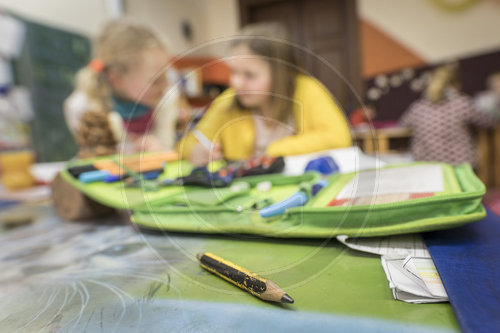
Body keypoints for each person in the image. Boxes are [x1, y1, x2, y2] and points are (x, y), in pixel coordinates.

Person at [178, 23, 352, 166]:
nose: (236, 83)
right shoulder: (228, 101)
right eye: (233, 72)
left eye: (249, 75)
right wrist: (195, 152)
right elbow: (187, 143)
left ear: (280, 74)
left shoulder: (307, 90)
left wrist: (273, 150)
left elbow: (339, 137)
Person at [64, 19, 185, 156]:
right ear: (115, 78)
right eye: (156, 80)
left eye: (166, 74)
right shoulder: (83, 108)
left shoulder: (166, 98)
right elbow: (95, 155)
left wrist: (159, 148)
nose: (166, 84)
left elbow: (166, 143)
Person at [400, 64, 498, 167]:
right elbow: (489, 122)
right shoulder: (461, 103)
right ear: (456, 85)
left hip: (427, 167)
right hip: (459, 166)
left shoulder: (418, 107)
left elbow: (403, 124)